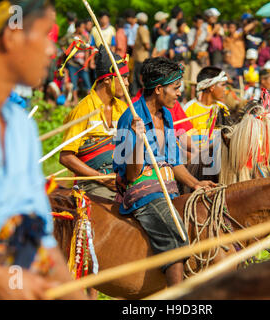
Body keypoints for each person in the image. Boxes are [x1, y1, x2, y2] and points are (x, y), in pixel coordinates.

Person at [0, 0, 86, 300]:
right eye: (45, 34)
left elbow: (41, 240)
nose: (53, 50)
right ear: (11, 36)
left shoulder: (21, 127)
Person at [113, 57, 216, 286]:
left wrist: (196, 183)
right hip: (143, 191)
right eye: (176, 88)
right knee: (177, 237)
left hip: (169, 189)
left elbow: (174, 162)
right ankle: (176, 298)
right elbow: (131, 175)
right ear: (159, 89)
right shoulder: (129, 118)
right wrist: (138, 142)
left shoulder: (167, 116)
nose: (179, 93)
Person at [59, 46, 129, 200]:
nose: (127, 83)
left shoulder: (123, 108)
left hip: (122, 180)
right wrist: (102, 178)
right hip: (94, 184)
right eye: (123, 78)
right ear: (107, 80)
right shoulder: (83, 110)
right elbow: (66, 156)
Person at [59, 20, 92, 106]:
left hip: (82, 64)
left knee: (87, 82)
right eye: (82, 27)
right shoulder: (69, 36)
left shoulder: (84, 38)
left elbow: (87, 51)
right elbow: (61, 43)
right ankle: (75, 100)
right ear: (77, 28)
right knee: (73, 82)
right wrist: (66, 51)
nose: (83, 29)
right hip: (72, 64)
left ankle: (89, 101)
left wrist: (86, 63)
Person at [187, 14, 209, 98]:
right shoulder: (191, 32)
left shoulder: (205, 31)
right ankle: (192, 98)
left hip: (203, 59)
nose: (200, 24)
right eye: (199, 22)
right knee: (193, 81)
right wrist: (197, 36)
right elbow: (191, 47)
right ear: (195, 23)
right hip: (194, 59)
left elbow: (208, 40)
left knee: (203, 80)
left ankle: (201, 99)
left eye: (201, 22)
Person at [131, 12, 151, 96]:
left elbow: (146, 44)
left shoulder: (142, 29)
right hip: (138, 57)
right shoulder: (140, 28)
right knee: (136, 77)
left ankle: (139, 95)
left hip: (141, 58)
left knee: (139, 77)